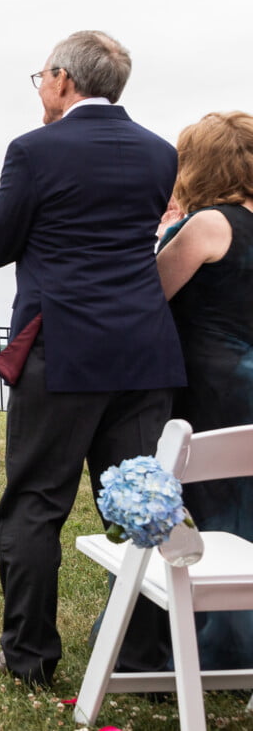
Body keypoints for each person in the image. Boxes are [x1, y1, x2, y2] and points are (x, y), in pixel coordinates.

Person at [0, 30, 185, 687]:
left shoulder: (33, 150)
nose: (41, 89)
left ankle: (29, 658)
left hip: (61, 351)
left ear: (60, 78)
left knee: (35, 502)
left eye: (40, 78)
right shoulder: (159, 152)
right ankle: (141, 652)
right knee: (143, 507)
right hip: (145, 351)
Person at [155, 110, 253, 670]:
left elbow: (152, 295)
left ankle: (211, 646)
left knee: (212, 512)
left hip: (212, 386)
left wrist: (163, 235)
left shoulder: (211, 224)